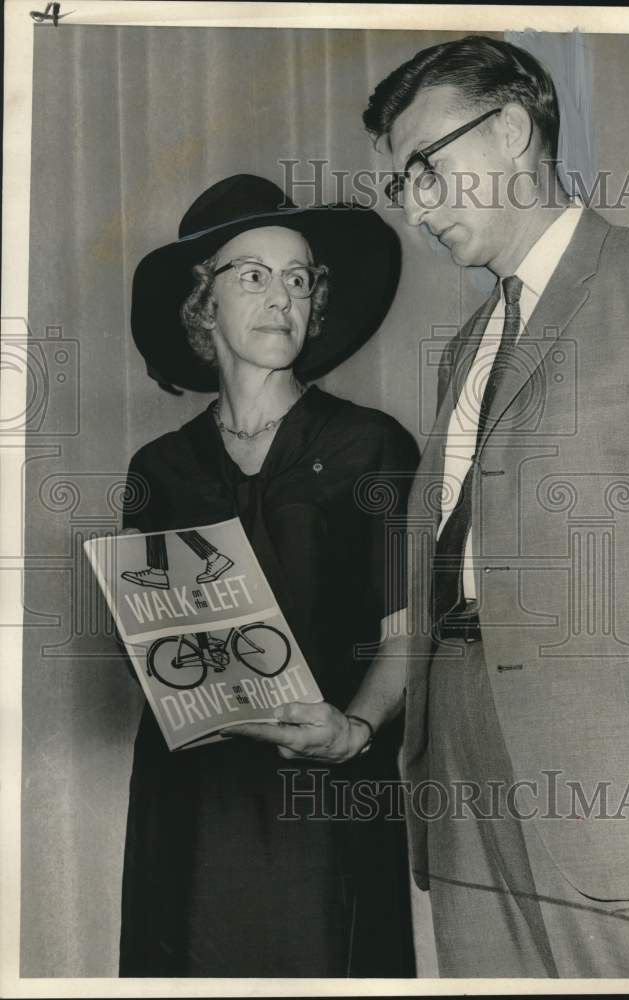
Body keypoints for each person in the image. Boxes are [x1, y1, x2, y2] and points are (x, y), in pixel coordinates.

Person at [255, 37, 629, 978]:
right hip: (464, 771)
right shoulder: (467, 347)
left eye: (427, 169)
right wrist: (369, 727)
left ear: (515, 130)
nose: (414, 207)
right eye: (402, 185)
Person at [118, 174, 418, 977]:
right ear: (201, 304)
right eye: (252, 274)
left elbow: (408, 630)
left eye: (298, 277)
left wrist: (353, 729)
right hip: (195, 798)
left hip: (329, 790)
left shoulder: (372, 446)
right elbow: (155, 651)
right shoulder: (160, 468)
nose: (281, 295)